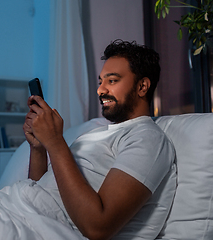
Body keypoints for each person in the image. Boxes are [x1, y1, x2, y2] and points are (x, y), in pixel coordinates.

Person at [23, 39, 175, 240]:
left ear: (142, 87)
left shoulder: (148, 139)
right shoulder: (95, 134)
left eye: (112, 81)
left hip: (32, 227)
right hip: (19, 211)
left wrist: (56, 143)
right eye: (100, 81)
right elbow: (39, 191)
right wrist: (39, 148)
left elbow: (98, 227)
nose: (100, 90)